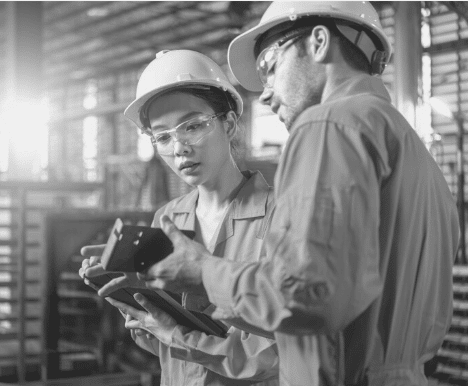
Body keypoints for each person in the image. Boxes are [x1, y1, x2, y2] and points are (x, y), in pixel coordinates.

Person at [118, 2, 460, 386]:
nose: (264, 95)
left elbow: (306, 297)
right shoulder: (415, 153)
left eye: (269, 65)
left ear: (318, 42)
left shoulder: (330, 124)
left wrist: (202, 272)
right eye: (162, 136)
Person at [81, 49, 279, 386]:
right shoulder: (168, 219)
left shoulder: (280, 214)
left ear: (229, 124)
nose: (179, 147)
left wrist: (176, 334)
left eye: (193, 126)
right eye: (163, 136)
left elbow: (276, 354)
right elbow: (166, 347)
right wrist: (138, 308)